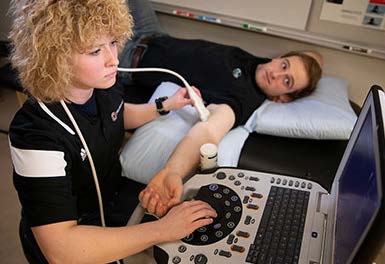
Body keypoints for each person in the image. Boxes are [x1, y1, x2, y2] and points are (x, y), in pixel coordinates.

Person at [8, 0, 217, 263]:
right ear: (55, 56)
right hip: (77, 239)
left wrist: (165, 106)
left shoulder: (103, 83)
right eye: (96, 50)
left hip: (110, 203)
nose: (113, 60)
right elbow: (61, 249)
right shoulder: (35, 134)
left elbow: (116, 114)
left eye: (113, 43)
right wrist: (163, 229)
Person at [117, 0, 324, 217]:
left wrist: (173, 171)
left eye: (287, 81)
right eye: (284, 66)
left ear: (283, 97)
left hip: (129, 59)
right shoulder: (261, 65)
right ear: (279, 58)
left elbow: (208, 131)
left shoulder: (244, 100)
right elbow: (316, 57)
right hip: (154, 33)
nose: (277, 74)